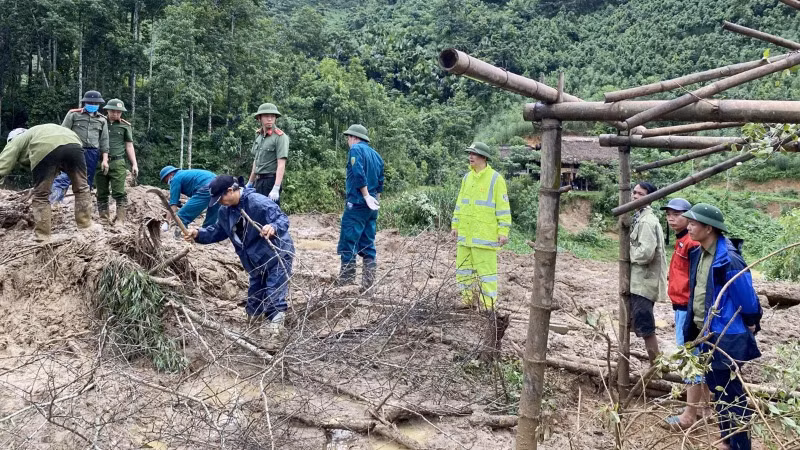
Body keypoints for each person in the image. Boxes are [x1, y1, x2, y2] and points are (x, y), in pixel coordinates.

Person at [683, 203, 761, 450]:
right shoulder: (700, 253)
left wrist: (750, 323)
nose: (689, 226)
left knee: (731, 393)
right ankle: (728, 439)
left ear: (709, 228)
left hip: (726, 335)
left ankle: (739, 444)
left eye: (694, 223)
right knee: (718, 390)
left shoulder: (729, 259)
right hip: (705, 333)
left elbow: (747, 299)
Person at [185, 175, 294, 336]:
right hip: (254, 260)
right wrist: (198, 234)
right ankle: (253, 333)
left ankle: (275, 336)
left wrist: (273, 227)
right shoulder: (225, 211)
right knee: (254, 299)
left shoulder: (258, 202)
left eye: (220, 198)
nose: (220, 203)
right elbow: (218, 231)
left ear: (230, 191)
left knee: (274, 296)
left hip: (277, 254)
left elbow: (282, 219)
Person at [660, 198, 711, 429]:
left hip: (688, 309)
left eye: (677, 214)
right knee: (700, 357)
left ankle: (690, 415)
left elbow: (698, 281)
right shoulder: (683, 240)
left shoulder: (692, 243)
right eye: (669, 213)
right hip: (683, 307)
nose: (672, 218)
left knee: (690, 359)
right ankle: (705, 408)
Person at [0, 125, 94, 241]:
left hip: (45, 148)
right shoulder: (38, 132)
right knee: (82, 187)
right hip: (74, 144)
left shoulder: (17, 140)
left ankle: (43, 236)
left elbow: (2, 164)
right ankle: (86, 226)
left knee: (41, 196)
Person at [450, 142, 512, 310]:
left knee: (487, 274)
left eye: (474, 154)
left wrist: (503, 231)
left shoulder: (495, 179)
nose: (470, 156)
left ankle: (487, 306)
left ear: (484, 157)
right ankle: (467, 301)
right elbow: (460, 203)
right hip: (465, 235)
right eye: (469, 153)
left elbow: (503, 207)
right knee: (463, 271)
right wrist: (455, 225)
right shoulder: (467, 178)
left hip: (484, 237)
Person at [335, 124, 384, 291]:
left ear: (353, 138)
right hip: (371, 207)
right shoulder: (377, 156)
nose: (348, 141)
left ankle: (346, 285)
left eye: (348, 138)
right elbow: (380, 182)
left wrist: (365, 196)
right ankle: (368, 286)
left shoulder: (355, 150)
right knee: (368, 244)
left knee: (349, 242)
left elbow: (358, 173)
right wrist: (375, 201)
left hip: (357, 203)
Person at [629, 181, 667, 363]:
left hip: (643, 283)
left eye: (641, 194)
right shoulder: (640, 218)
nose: (635, 196)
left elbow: (645, 254)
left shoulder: (646, 221)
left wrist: (627, 254)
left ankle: (656, 365)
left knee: (645, 326)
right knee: (637, 322)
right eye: (634, 192)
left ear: (650, 198)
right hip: (640, 282)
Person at [50, 90, 109, 202]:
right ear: (85, 103)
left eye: (95, 103)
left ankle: (83, 209)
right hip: (74, 150)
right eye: (90, 103)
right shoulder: (73, 114)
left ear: (99, 105)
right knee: (64, 178)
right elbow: (62, 133)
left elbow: (104, 141)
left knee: (86, 182)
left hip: (92, 153)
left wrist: (105, 159)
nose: (93, 105)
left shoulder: (102, 120)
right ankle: (53, 203)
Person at [95, 99, 139, 225]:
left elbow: (129, 146)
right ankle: (104, 219)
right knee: (101, 193)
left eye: (118, 112)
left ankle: (120, 220)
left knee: (119, 192)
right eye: (113, 111)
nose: (115, 114)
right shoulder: (100, 122)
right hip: (100, 162)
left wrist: (134, 164)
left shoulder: (125, 126)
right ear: (107, 110)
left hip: (118, 162)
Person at [247, 103, 288, 204]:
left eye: (272, 116)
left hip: (271, 181)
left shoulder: (280, 137)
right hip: (259, 181)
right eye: (266, 116)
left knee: (271, 215)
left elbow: (281, 164)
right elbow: (256, 161)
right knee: (257, 214)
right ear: (259, 118)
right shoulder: (259, 136)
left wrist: (276, 188)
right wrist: (250, 182)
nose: (270, 119)